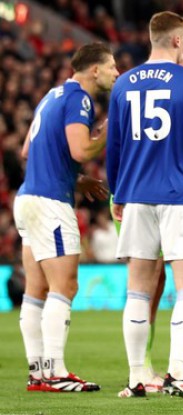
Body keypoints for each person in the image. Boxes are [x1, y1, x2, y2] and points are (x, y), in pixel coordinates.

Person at [106, 12, 183, 399]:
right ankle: (176, 375)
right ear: (175, 40)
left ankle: (138, 377)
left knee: (137, 289)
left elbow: (114, 147)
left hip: (135, 194)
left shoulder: (123, 83)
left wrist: (118, 192)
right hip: (179, 195)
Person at [15, 42, 118, 392]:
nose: (115, 73)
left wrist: (74, 178)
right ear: (94, 70)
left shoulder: (52, 95)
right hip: (49, 203)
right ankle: (56, 372)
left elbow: (29, 150)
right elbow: (79, 149)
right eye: (111, 67)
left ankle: (38, 373)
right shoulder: (80, 99)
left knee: (36, 289)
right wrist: (105, 136)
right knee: (65, 286)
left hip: (28, 197)